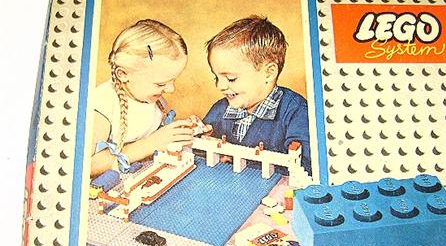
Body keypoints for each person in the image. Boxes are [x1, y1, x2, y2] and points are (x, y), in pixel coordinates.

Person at [203, 15, 311, 174]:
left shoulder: (296, 112)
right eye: (216, 78)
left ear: (269, 73)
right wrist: (200, 135)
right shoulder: (221, 108)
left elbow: (306, 167)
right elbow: (201, 152)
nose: (220, 86)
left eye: (231, 78)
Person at [91, 19, 193, 177]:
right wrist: (150, 144)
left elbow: (160, 134)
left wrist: (183, 131)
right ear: (123, 74)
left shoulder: (151, 97)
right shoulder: (103, 104)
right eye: (161, 84)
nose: (171, 89)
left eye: (173, 80)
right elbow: (88, 165)